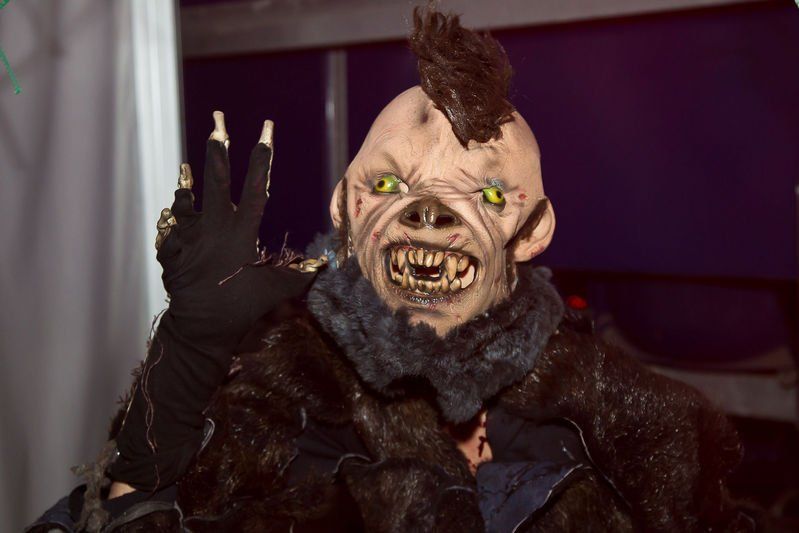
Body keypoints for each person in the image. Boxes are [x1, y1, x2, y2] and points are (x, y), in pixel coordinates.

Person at [29, 8, 752, 532]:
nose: (429, 215)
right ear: (344, 207)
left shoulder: (632, 424)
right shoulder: (272, 409)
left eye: (486, 195)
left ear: (533, 230)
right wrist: (185, 363)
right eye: (387, 184)